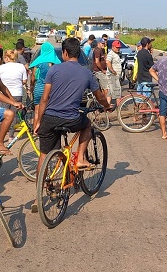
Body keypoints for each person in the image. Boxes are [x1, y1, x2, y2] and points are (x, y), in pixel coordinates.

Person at [34, 38, 112, 173]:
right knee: (87, 124)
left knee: (43, 155)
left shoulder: (54, 70)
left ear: (65, 53)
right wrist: (107, 105)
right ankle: (80, 158)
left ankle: (41, 189)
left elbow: (44, 99)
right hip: (71, 119)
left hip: (49, 118)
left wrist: (39, 121)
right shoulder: (87, 73)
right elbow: (99, 96)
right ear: (78, 53)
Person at [30, 42, 62, 129]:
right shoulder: (56, 61)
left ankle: (35, 131)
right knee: (50, 111)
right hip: (51, 89)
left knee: (37, 111)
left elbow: (33, 76)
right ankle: (48, 129)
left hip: (39, 88)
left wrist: (32, 86)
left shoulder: (38, 61)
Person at [0, 49, 29, 139]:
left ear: (6, 58)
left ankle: (1, 135)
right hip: (17, 93)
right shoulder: (21, 67)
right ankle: (11, 136)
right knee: (13, 115)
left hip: (4, 94)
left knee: (2, 114)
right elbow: (24, 81)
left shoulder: (0, 68)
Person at [105, 40, 123, 105]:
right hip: (113, 76)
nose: (118, 49)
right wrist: (113, 71)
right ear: (113, 47)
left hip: (113, 76)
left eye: (119, 47)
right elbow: (107, 62)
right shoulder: (111, 54)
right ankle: (119, 106)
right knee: (117, 91)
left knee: (110, 91)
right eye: (117, 47)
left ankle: (108, 104)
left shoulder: (116, 54)